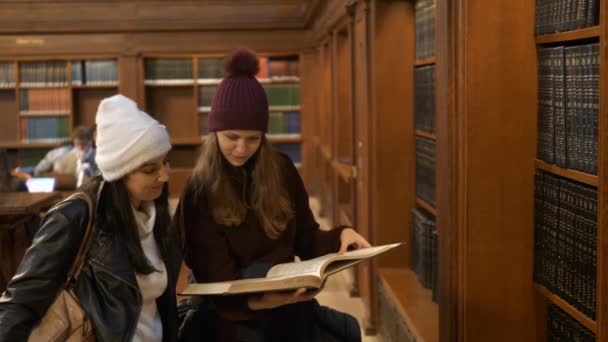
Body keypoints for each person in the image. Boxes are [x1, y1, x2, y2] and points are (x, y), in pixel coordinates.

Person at [175, 49, 370, 341]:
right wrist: (262, 300)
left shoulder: (281, 169)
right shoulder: (199, 190)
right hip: (231, 323)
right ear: (214, 131)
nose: (241, 148)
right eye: (231, 137)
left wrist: (341, 238)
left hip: (287, 311)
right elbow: (215, 282)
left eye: (253, 139)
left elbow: (306, 238)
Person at [0, 94, 182, 342]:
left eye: (165, 163)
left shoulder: (157, 216)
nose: (164, 176)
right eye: (150, 169)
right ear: (119, 173)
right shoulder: (76, 216)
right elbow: (20, 301)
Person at [34, 125, 98, 178]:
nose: (80, 148)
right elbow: (37, 172)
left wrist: (84, 162)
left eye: (84, 145)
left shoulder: (97, 156)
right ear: (74, 142)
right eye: (78, 144)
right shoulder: (59, 154)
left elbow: (98, 178)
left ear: (90, 142)